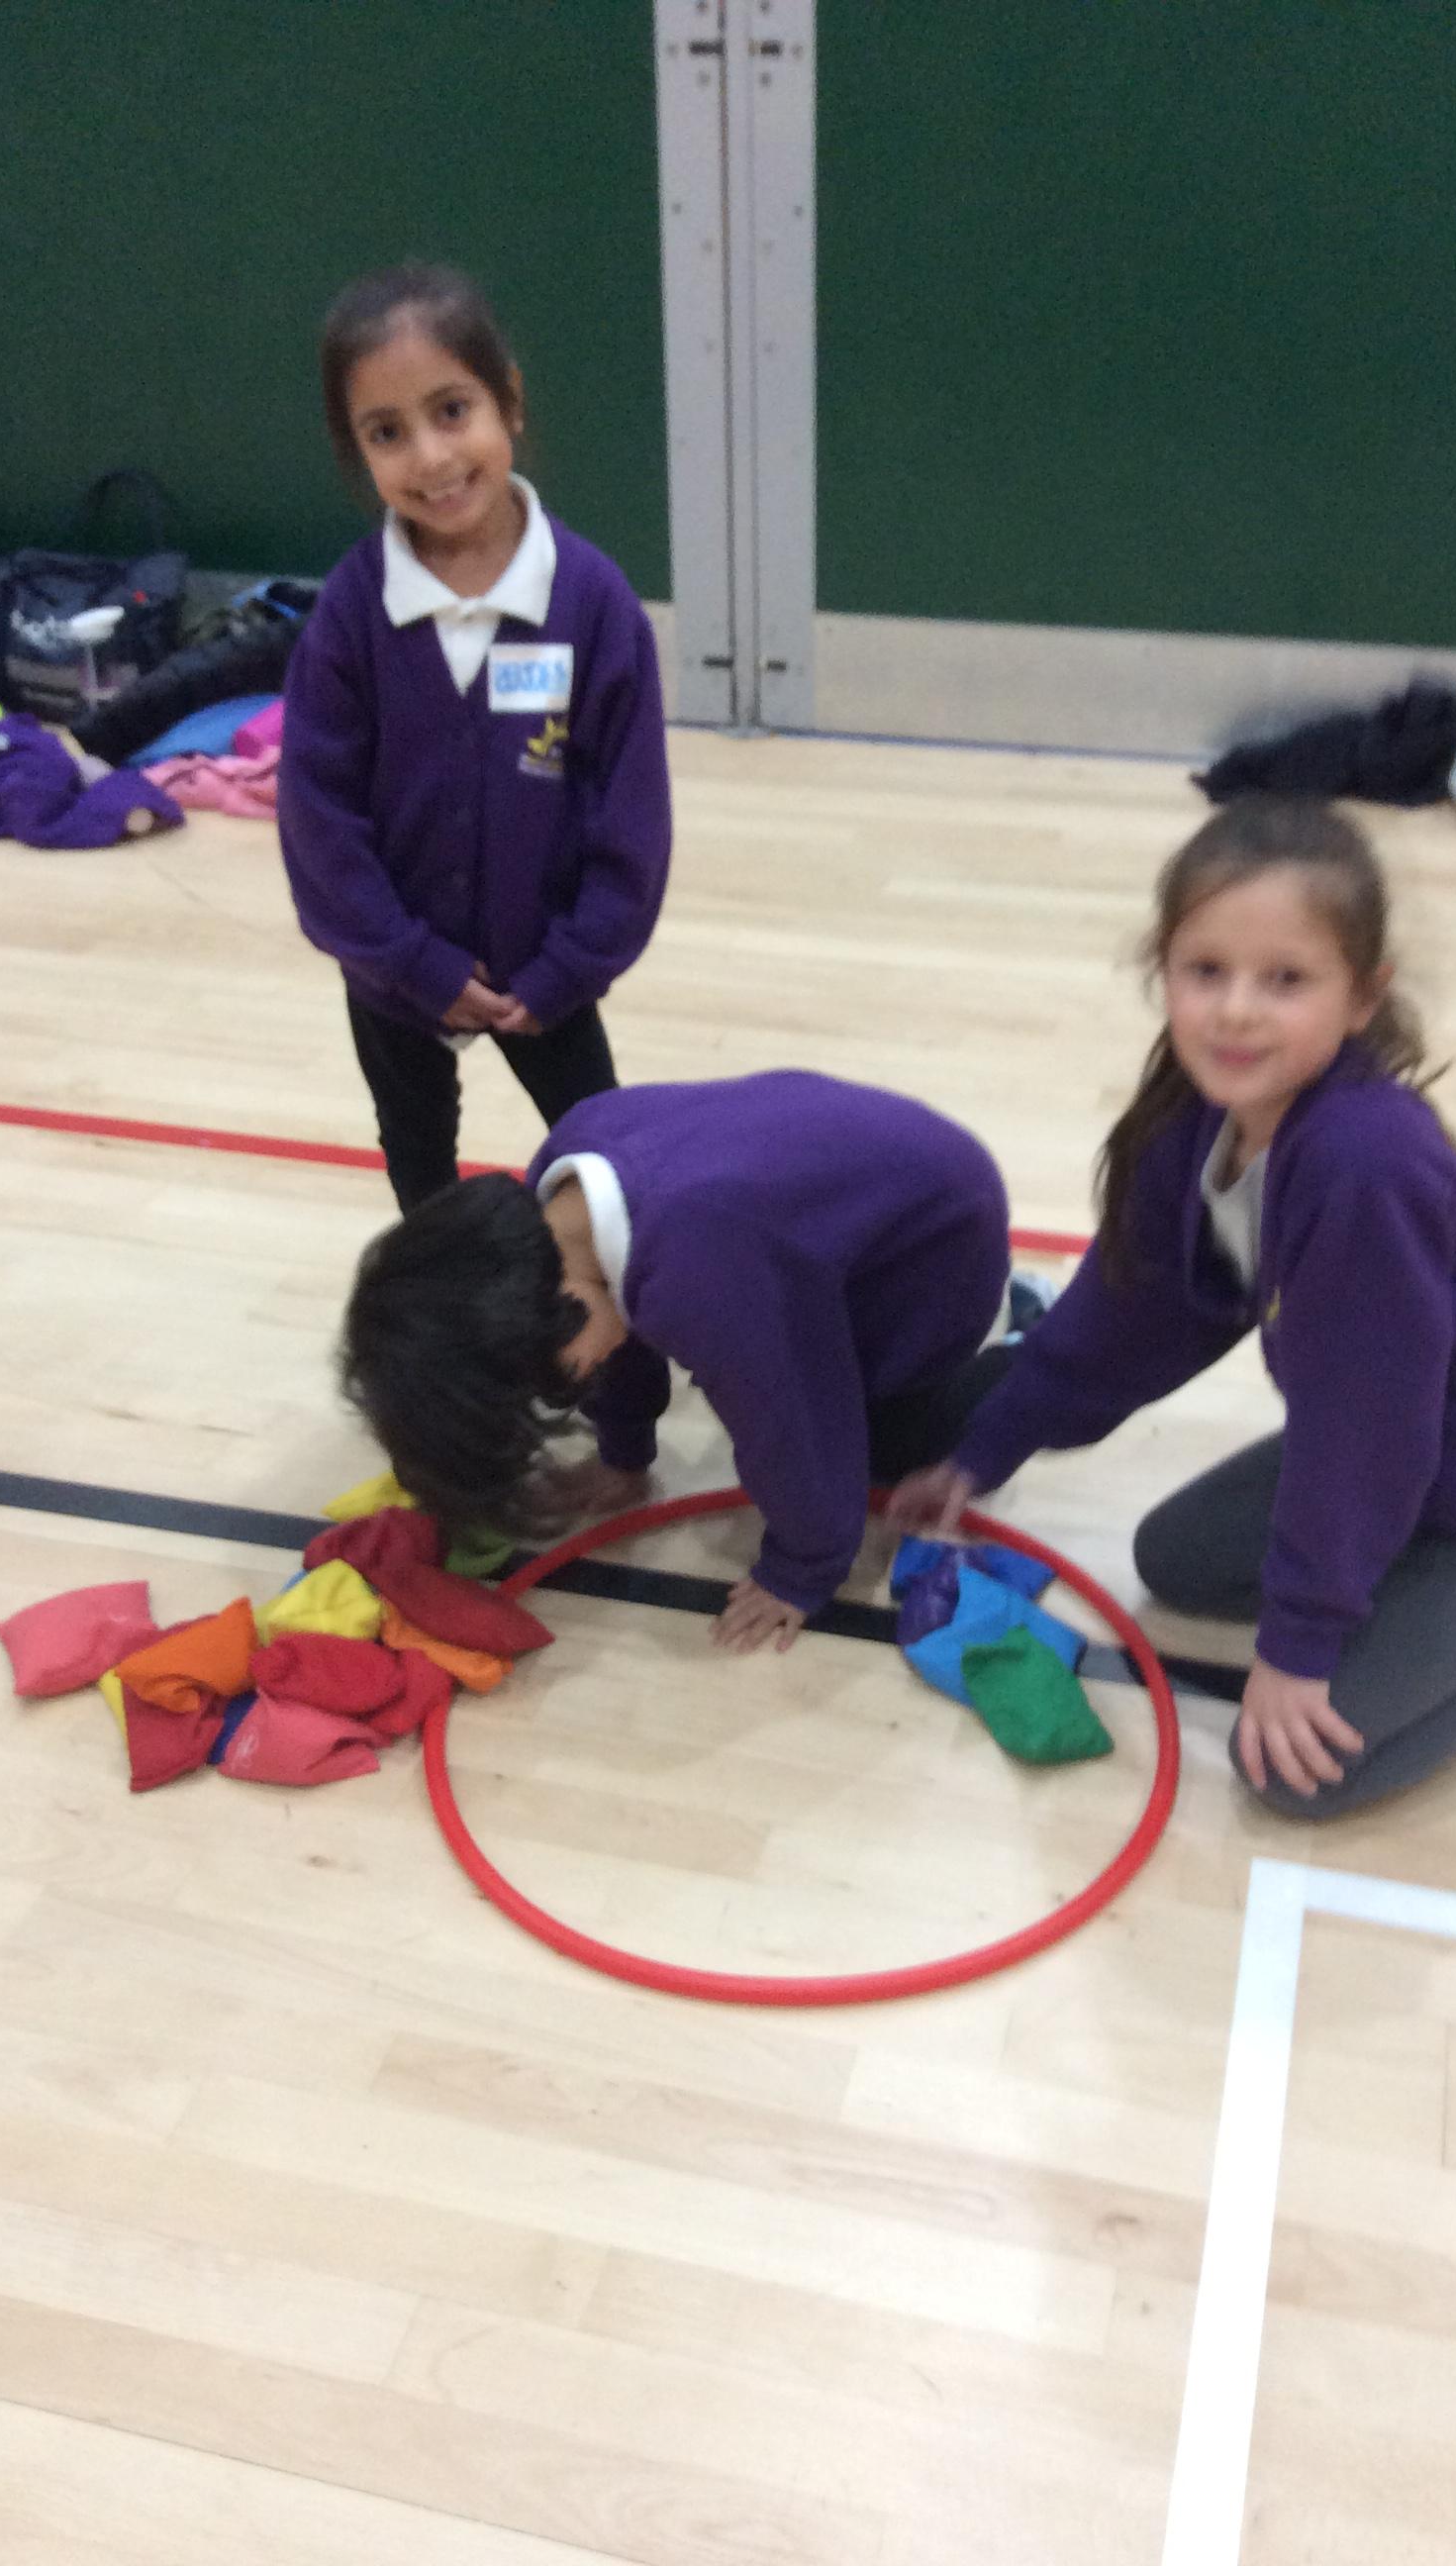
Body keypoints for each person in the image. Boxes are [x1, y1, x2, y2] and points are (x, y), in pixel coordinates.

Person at [891, 795, 1456, 1819]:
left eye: (1285, 980)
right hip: (1421, 1448)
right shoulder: (1199, 1111)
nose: (1236, 1011)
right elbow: (1129, 1312)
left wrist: (1301, 1644)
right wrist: (986, 1448)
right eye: (1206, 971)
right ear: (1162, 971)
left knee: (1293, 1775)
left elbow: (1362, 1434)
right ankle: (1431, 1584)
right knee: (1173, 1563)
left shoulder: (1362, 1164)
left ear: (1363, 997)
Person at [340, 1070, 1029, 1652]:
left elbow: (794, 1422)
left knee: (885, 1450)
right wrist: (623, 1454)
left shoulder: (702, 1271)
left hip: (934, 1245)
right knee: (733, 1334)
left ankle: (1027, 1345)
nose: (560, 1392)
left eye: (554, 1381)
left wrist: (802, 1567)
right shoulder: (557, 1208)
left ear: (555, 1303)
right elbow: (617, 1317)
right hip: (842, 1202)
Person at [278, 262, 670, 1213]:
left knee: (605, 1159)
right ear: (355, 450)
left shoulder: (594, 604)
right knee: (417, 1158)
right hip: (394, 981)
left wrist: (571, 966)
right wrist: (408, 961)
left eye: (452, 411)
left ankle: (627, 1295)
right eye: (387, 432)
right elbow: (318, 821)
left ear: (511, 402)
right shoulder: (350, 615)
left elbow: (632, 818)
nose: (430, 457)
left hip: (549, 977)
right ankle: (439, 1299)